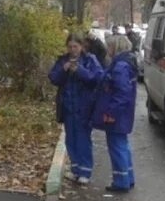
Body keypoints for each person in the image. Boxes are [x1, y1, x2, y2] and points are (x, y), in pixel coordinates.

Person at [49, 32, 102, 185]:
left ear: (81, 46)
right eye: (70, 46)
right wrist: (63, 69)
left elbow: (96, 78)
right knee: (70, 139)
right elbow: (53, 78)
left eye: (76, 46)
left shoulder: (89, 59)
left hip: (84, 106)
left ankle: (85, 171)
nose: (73, 50)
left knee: (83, 139)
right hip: (67, 106)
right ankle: (75, 169)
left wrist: (79, 70)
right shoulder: (63, 60)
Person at [92, 34, 137, 192]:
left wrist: (111, 112)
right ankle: (128, 177)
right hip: (122, 114)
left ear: (115, 47)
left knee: (117, 146)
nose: (107, 49)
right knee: (123, 145)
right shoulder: (126, 63)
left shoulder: (119, 66)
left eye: (109, 46)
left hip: (117, 115)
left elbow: (121, 92)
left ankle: (121, 181)